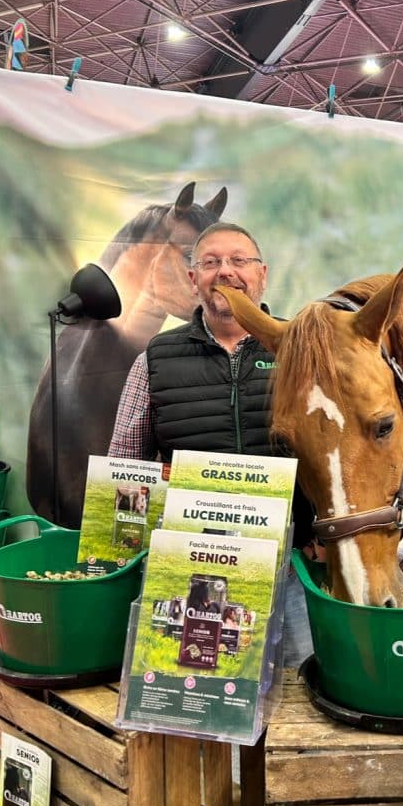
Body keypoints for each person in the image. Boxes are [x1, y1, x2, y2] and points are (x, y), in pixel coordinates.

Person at [109, 221, 313, 665]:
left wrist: (316, 531)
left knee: (299, 683)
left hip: (286, 565)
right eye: (211, 262)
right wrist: (153, 494)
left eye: (239, 261)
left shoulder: (301, 351)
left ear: (262, 275)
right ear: (192, 279)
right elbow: (122, 466)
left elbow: (331, 455)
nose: (226, 272)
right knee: (192, 690)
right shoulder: (155, 359)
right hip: (187, 567)